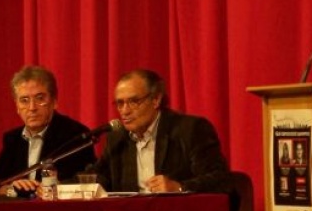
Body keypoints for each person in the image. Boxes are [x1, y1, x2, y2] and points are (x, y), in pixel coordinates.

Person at [92, 69, 233, 195]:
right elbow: (97, 177)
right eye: (120, 103)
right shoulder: (117, 139)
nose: (125, 111)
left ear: (156, 100)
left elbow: (219, 178)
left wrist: (179, 187)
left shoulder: (190, 129)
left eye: (134, 101)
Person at [0, 65, 97, 195]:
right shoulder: (13, 139)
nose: (32, 107)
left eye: (40, 98)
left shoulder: (76, 135)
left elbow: (81, 183)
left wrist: (18, 190)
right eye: (24, 100)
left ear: (54, 102)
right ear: (17, 107)